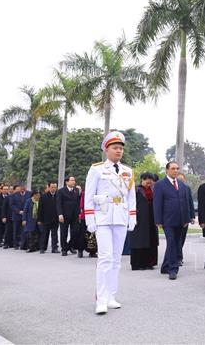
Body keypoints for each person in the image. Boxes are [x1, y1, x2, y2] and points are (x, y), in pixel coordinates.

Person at [83, 130, 137, 315]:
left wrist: (132, 217)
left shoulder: (128, 171)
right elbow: (88, 196)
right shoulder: (97, 169)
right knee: (105, 258)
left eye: (121, 148)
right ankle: (101, 298)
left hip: (120, 216)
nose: (119, 151)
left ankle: (111, 295)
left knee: (116, 259)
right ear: (107, 150)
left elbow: (131, 197)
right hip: (103, 217)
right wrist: (90, 219)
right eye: (115, 147)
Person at [153, 161, 191, 280]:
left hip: (181, 220)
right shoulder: (160, 184)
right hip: (167, 220)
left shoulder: (182, 184)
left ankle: (165, 266)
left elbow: (186, 202)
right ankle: (173, 269)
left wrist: (187, 218)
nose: (176, 170)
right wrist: (158, 220)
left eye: (177, 168)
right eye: (173, 168)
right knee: (171, 242)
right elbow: (157, 203)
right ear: (167, 170)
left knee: (176, 243)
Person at [129, 172, 159, 270]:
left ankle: (149, 263)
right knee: (139, 241)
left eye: (151, 180)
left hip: (151, 218)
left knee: (151, 240)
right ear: (142, 180)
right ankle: (138, 264)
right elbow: (131, 204)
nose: (149, 182)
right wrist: (132, 217)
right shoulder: (136, 190)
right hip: (139, 219)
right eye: (146, 180)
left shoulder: (154, 190)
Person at [56, 176, 80, 256]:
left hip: (75, 215)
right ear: (67, 182)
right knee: (64, 233)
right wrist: (60, 214)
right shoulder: (61, 191)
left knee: (75, 232)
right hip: (64, 215)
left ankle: (70, 246)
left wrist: (79, 213)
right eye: (72, 180)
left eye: (74, 180)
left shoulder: (76, 190)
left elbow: (78, 203)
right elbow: (58, 204)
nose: (74, 182)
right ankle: (64, 249)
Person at [176, 172, 195, 267]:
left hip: (185, 218)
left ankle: (178, 256)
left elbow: (190, 203)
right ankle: (178, 257)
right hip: (174, 218)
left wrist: (192, 216)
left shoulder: (187, 189)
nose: (181, 182)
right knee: (176, 239)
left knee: (182, 238)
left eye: (182, 181)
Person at [37, 181, 60, 253]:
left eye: (55, 187)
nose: (53, 189)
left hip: (55, 219)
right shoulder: (44, 196)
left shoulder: (58, 196)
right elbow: (40, 209)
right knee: (45, 234)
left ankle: (54, 248)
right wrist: (39, 219)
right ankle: (42, 248)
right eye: (52, 187)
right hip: (45, 219)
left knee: (54, 234)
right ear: (49, 187)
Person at [77, 185, 97, 258]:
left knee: (93, 235)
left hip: (95, 216)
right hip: (85, 216)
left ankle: (92, 251)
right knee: (82, 234)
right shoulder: (84, 194)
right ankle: (80, 250)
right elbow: (81, 205)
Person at [10, 185, 30, 250]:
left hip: (25, 216)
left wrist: (25, 211)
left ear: (25, 188)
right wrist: (18, 211)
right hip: (16, 215)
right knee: (15, 231)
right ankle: (15, 244)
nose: (22, 189)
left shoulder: (29, 194)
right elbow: (12, 205)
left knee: (24, 231)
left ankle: (23, 245)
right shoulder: (14, 195)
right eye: (21, 188)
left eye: (24, 188)